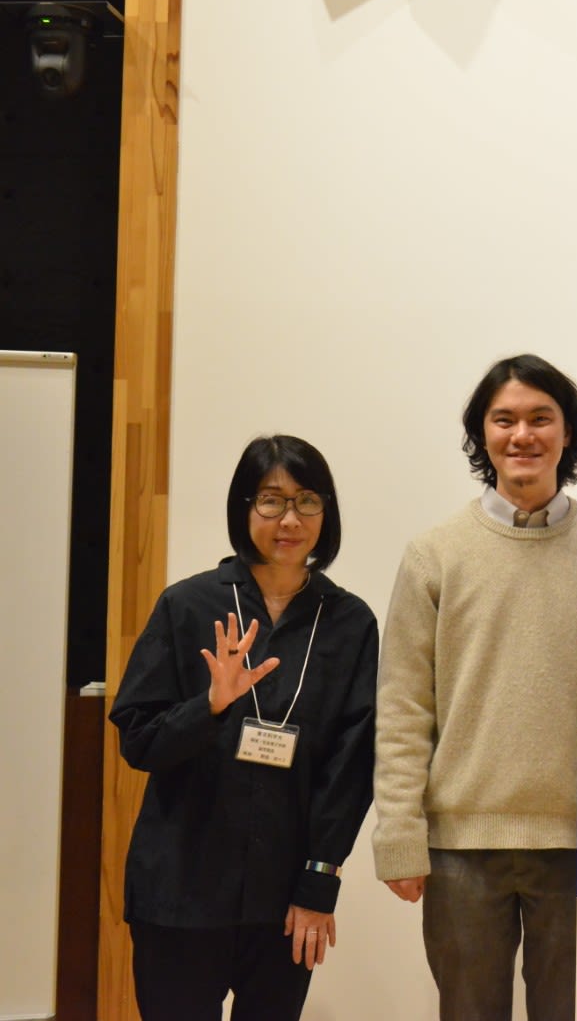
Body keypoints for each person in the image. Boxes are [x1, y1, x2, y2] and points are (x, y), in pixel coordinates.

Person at [110, 435, 378, 1020]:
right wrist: (206, 706)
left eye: (308, 501)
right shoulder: (187, 606)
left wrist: (319, 883)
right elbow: (138, 740)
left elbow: (351, 766)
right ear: (243, 507)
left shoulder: (350, 623)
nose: (290, 518)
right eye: (271, 500)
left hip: (285, 899)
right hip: (179, 891)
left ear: (326, 512)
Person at [372, 353, 577, 1020]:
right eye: (504, 419)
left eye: (540, 418)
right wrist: (399, 836)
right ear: (481, 434)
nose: (522, 435)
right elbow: (403, 706)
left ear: (569, 433)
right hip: (461, 847)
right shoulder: (435, 553)